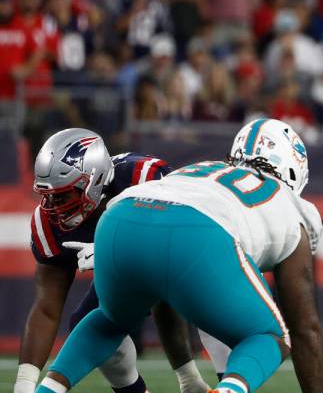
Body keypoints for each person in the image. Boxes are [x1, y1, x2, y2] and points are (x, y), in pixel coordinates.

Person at [34, 119, 323, 393]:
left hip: (119, 218)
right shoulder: (291, 207)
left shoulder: (202, 168)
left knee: (109, 321)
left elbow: (163, 293)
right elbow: (306, 329)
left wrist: (186, 377)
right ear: (294, 170)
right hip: (197, 231)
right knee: (271, 336)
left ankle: (47, 388)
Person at [14, 128, 208, 393]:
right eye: (47, 195)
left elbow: (177, 245)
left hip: (180, 260)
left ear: (94, 181)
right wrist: (23, 386)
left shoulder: (145, 179)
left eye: (62, 195)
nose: (52, 207)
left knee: (195, 302)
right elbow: (47, 308)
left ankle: (201, 382)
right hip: (128, 275)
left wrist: (114, 248)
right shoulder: (47, 222)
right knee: (88, 327)